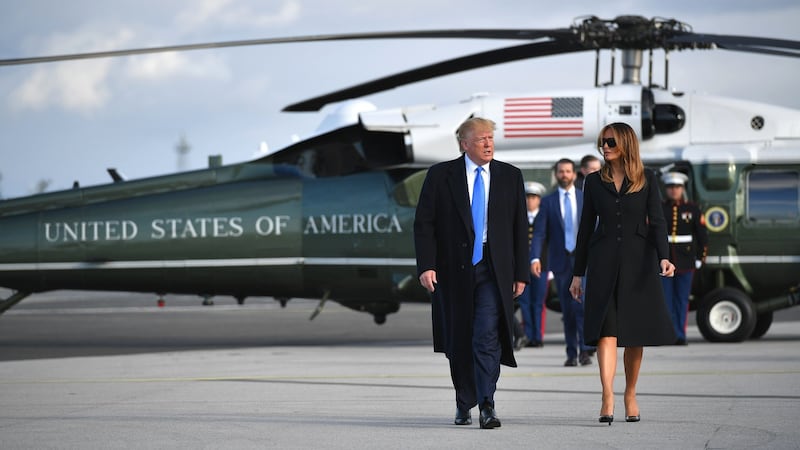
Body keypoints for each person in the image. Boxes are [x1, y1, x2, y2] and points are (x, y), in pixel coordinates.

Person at [414, 117, 529, 429]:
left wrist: (521, 272)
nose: (489, 144)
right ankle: (464, 402)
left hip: (494, 267)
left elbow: (520, 227)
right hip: (453, 271)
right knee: (459, 339)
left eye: (491, 138)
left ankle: (487, 403)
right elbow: (425, 224)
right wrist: (427, 265)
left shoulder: (510, 176)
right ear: (464, 144)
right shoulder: (441, 175)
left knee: (487, 335)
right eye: (482, 139)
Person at [568, 122, 676, 425]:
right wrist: (578, 274)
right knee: (606, 330)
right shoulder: (592, 182)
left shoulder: (647, 178)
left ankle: (630, 393)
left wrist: (664, 258)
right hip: (602, 263)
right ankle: (607, 395)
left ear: (625, 143)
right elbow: (586, 228)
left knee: (634, 333)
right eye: (602, 142)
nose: (605, 146)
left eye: (611, 141)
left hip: (639, 263)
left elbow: (657, 221)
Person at [531, 159, 593, 367]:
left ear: (574, 175)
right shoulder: (547, 202)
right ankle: (570, 353)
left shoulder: (585, 198)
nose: (565, 175)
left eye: (568, 171)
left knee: (582, 307)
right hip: (561, 261)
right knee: (567, 309)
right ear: (556, 174)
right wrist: (535, 257)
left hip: (582, 259)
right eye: (561, 172)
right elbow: (539, 233)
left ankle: (585, 350)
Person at [661, 171, 708, 345]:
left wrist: (700, 257)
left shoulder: (692, 209)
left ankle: (680, 335)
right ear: (666, 189)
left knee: (681, 300)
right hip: (664, 261)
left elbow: (702, 235)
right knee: (666, 300)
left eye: (677, 187)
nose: (674, 191)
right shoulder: (659, 208)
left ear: (682, 189)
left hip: (686, 261)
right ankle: (667, 334)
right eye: (670, 187)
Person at [517, 181, 548, 348]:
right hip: (522, 267)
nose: (530, 201)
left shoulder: (545, 217)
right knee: (524, 302)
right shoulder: (519, 217)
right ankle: (527, 335)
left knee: (538, 302)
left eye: (534, 197)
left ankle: (538, 336)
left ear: (539, 200)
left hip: (542, 268)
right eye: (528, 197)